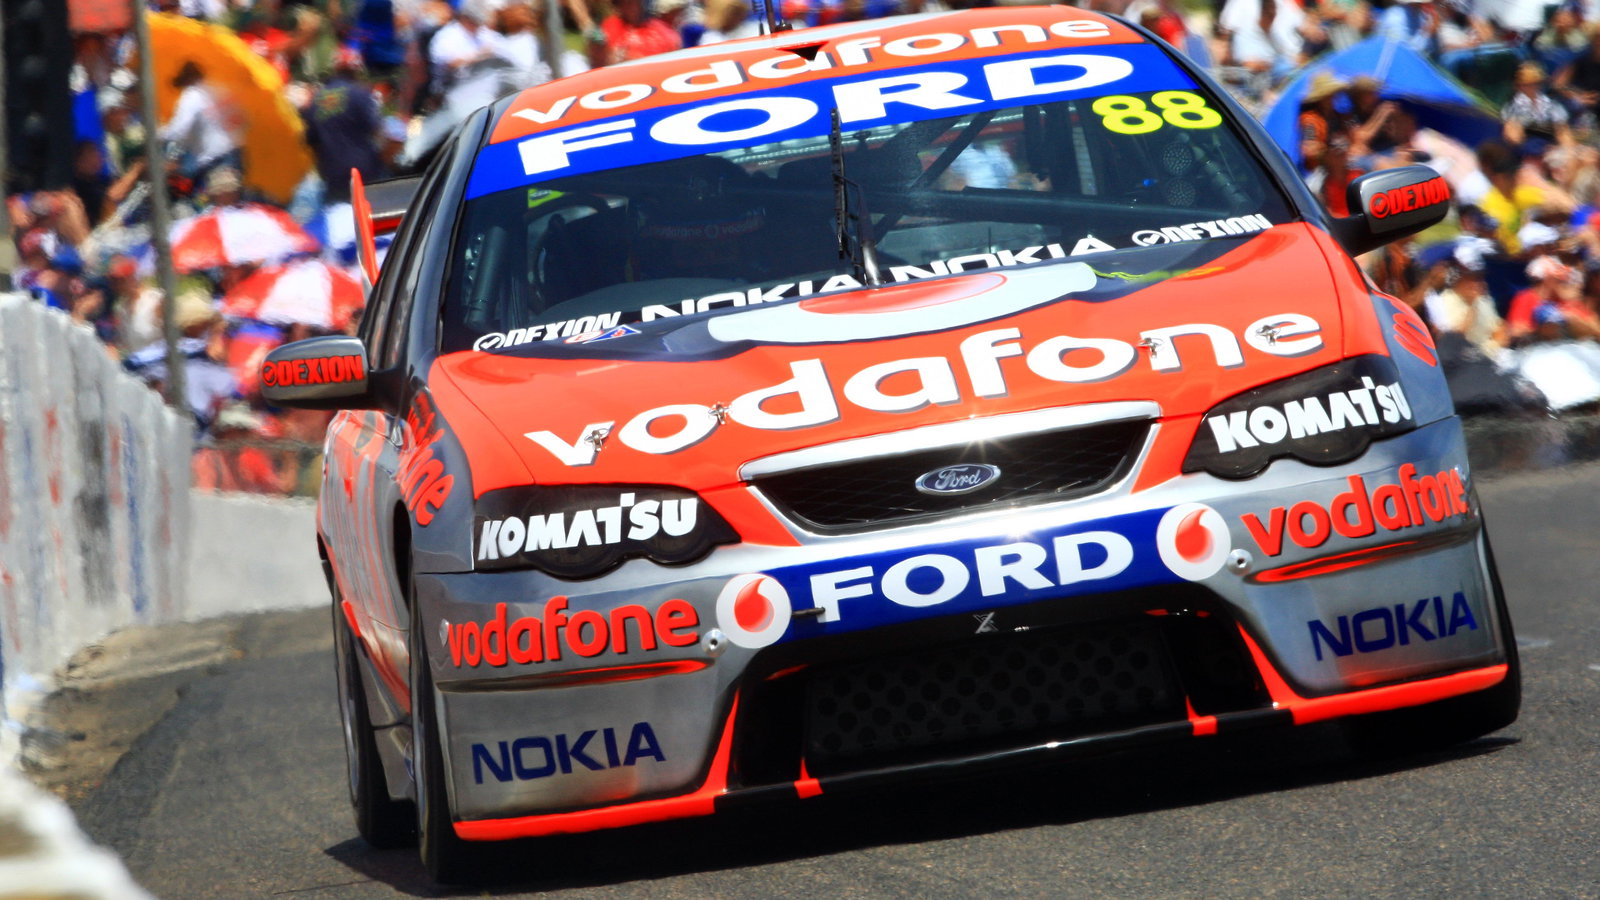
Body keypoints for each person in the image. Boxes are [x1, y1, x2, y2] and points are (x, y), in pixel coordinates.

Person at [302, 46, 382, 205]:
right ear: (356, 71)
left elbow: (310, 139)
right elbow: (376, 129)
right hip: (364, 171)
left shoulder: (317, 99)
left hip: (332, 173)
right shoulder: (361, 94)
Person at [160, 61, 242, 187]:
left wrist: (156, 134)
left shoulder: (192, 95)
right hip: (234, 153)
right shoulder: (218, 89)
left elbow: (179, 130)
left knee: (214, 200)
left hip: (214, 160)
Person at [1502, 62, 1574, 150]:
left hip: (1553, 148)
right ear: (1518, 86)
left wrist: (1568, 150)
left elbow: (1563, 133)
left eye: (1535, 83)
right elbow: (1513, 136)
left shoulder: (1551, 105)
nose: (1533, 87)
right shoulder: (1512, 107)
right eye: (1526, 84)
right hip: (1527, 151)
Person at [600, 0, 682, 65]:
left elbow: (674, 57)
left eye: (635, 2)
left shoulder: (662, 30)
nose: (632, 7)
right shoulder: (611, 26)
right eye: (625, 2)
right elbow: (608, 59)